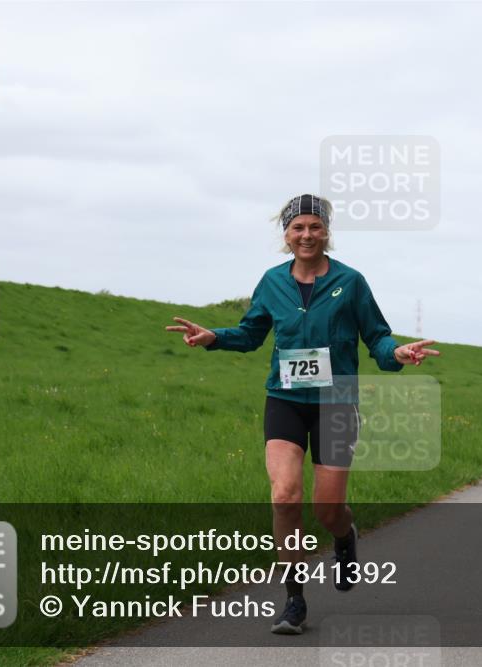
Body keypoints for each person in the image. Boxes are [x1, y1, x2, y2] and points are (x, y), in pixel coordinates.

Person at [166, 194, 439, 635]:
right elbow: (252, 332)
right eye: (298, 228)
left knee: (327, 509)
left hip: (335, 402)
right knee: (285, 496)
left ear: (326, 232)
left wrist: (399, 353)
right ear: (286, 235)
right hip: (286, 400)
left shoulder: (351, 282)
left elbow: (377, 337)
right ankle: (294, 601)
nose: (306, 234)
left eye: (315, 227)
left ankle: (344, 538)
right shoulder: (272, 281)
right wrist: (213, 336)